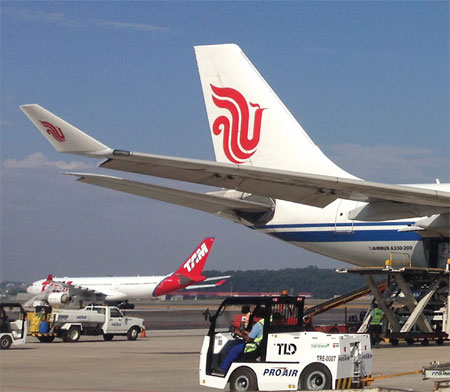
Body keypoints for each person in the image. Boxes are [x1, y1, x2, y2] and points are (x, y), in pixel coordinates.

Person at [220, 307, 265, 372]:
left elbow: (248, 339)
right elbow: (256, 334)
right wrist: (244, 332)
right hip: (259, 345)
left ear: (257, 315)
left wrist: (240, 334)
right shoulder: (264, 323)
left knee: (234, 349)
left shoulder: (258, 325)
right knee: (238, 342)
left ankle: (224, 368)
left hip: (253, 347)